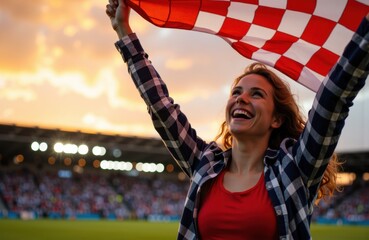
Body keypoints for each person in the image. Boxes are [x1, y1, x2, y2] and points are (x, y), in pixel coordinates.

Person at [106, 0, 369, 239]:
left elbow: (333, 98)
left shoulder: (295, 169)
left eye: (256, 94)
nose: (241, 99)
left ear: (276, 119)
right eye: (236, 92)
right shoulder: (205, 164)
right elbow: (160, 106)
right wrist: (124, 30)